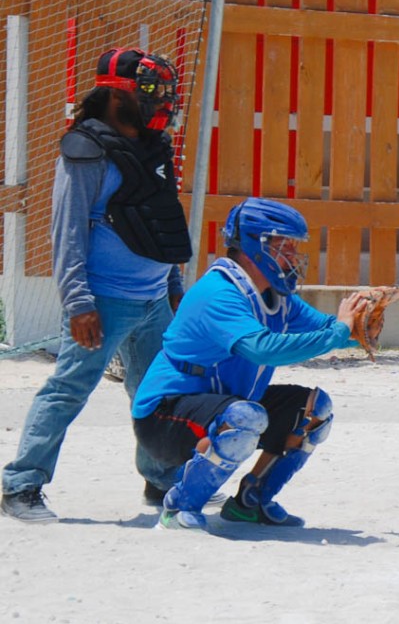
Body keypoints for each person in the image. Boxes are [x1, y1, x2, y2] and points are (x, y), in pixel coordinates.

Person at [1, 48, 191, 522]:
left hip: (154, 300)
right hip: (103, 302)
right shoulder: (86, 150)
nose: (160, 101)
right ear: (115, 95)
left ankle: (162, 481)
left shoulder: (154, 146)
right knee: (68, 390)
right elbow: (66, 231)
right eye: (150, 91)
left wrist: (173, 283)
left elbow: (160, 220)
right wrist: (78, 303)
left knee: (157, 392)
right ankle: (20, 486)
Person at [132, 198, 368, 530]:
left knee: (317, 409)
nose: (293, 255)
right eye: (284, 246)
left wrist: (361, 324)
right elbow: (262, 349)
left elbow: (329, 330)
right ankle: (179, 507)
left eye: (293, 246)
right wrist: (339, 332)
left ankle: (251, 502)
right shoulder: (219, 292)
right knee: (245, 417)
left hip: (225, 404)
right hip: (163, 415)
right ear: (255, 247)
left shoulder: (276, 296)